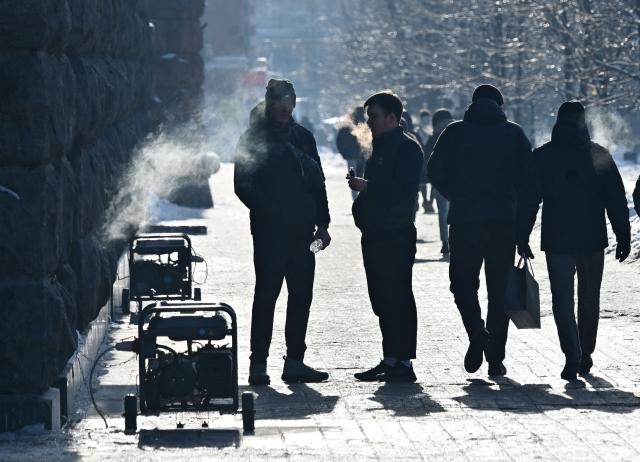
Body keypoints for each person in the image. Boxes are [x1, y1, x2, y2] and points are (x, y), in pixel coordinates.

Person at [520, 101, 630, 381]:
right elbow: (616, 199)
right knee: (589, 298)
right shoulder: (597, 154)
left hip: (558, 238)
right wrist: (623, 235)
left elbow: (529, 201)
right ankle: (586, 352)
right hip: (592, 238)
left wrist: (521, 235)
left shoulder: (543, 156)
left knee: (562, 301)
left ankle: (572, 353)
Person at [427, 84, 533, 377]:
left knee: (462, 284)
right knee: (498, 289)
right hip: (503, 223)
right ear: (500, 106)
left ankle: (476, 333)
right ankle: (496, 357)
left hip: (465, 220)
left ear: (472, 104)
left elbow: (433, 170)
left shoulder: (454, 133)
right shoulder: (514, 134)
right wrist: (520, 224)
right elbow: (529, 181)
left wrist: (456, 194)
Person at [234, 79, 331, 385]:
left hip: (304, 233)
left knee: (301, 295)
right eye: (278, 102)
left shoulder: (303, 137)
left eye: (288, 101)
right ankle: (258, 363)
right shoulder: (253, 138)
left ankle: (295, 361)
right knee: (267, 294)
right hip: (269, 232)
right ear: (268, 104)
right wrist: (269, 211)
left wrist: (324, 224)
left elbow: (319, 182)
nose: (284, 107)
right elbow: (242, 185)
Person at [349, 91, 423, 382]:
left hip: (396, 233)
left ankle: (403, 363)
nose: (370, 123)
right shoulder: (379, 146)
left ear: (393, 118)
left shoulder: (407, 148)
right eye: (368, 118)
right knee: (381, 298)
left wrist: (368, 188)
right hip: (376, 232)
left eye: (375, 117)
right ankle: (390, 358)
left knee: (398, 297)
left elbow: (403, 191)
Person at [422, 109, 454, 255]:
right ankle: (452, 240)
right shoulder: (457, 134)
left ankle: (446, 242)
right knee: (455, 212)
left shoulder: (433, 139)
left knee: (443, 213)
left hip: (441, 182)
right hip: (457, 181)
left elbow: (428, 162)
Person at [336, 107, 367, 200]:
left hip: (351, 157)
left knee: (353, 178)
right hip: (362, 157)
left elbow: (339, 141)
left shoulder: (346, 125)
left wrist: (344, 153)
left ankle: (356, 199)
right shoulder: (366, 124)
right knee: (361, 177)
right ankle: (360, 200)